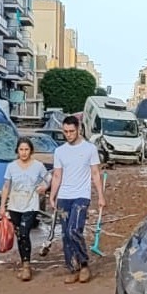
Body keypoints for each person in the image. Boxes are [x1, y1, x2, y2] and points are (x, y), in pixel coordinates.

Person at [49, 115, 107, 283]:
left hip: (81, 196)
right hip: (63, 197)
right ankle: (72, 268)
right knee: (65, 235)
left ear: (79, 129)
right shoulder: (59, 151)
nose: (69, 134)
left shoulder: (89, 149)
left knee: (74, 230)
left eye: (72, 131)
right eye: (66, 132)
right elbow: (57, 176)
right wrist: (52, 196)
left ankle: (84, 264)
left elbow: (95, 173)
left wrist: (101, 196)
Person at [0, 137, 50, 282]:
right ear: (17, 151)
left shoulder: (38, 166)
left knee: (24, 232)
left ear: (31, 151)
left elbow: (48, 178)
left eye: (26, 149)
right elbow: (6, 186)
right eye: (21, 149)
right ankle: (24, 263)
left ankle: (27, 266)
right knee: (19, 235)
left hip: (31, 204)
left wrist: (44, 187)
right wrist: (2, 206)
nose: (24, 152)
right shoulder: (11, 166)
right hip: (15, 204)